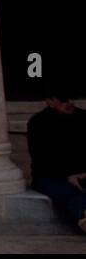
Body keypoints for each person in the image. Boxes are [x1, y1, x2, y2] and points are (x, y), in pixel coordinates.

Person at [27, 86, 86, 233]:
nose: (70, 103)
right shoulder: (38, 123)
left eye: (72, 99)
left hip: (82, 174)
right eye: (64, 100)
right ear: (50, 101)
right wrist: (69, 176)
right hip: (51, 176)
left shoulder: (83, 118)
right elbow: (42, 158)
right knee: (72, 194)